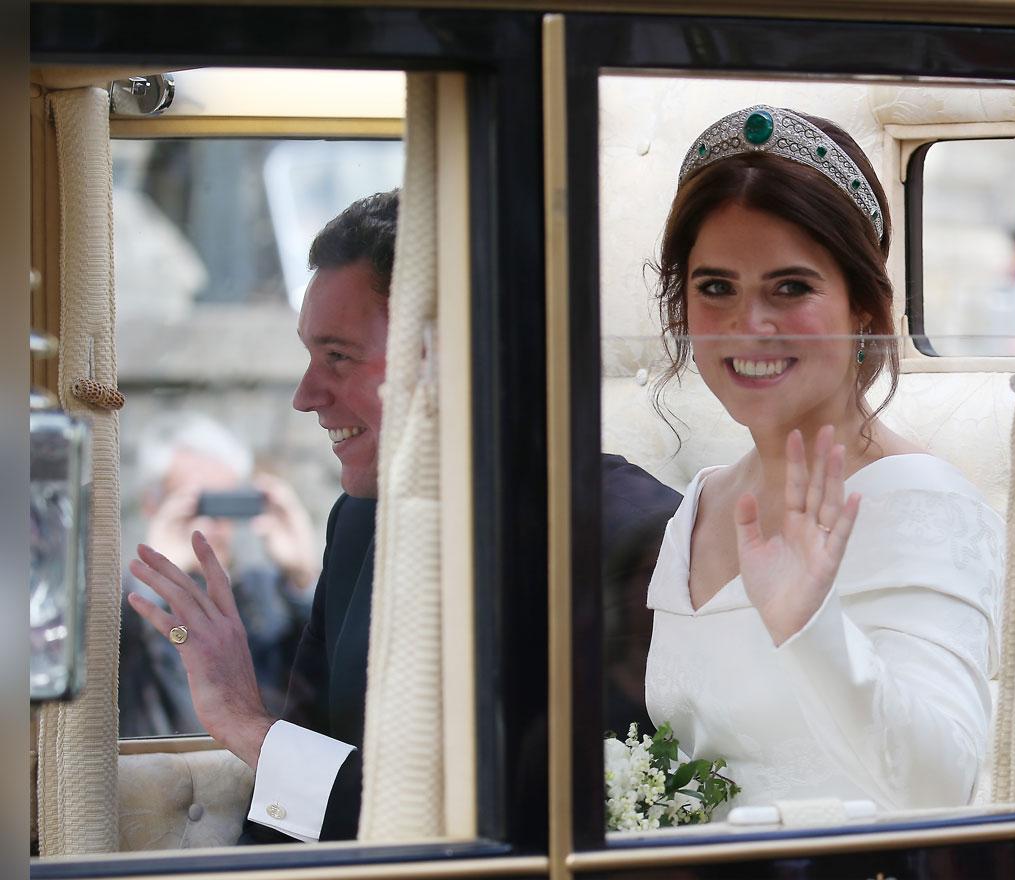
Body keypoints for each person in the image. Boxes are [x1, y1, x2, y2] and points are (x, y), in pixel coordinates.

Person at [127, 189, 680, 843]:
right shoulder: (357, 523)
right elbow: (291, 825)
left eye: (338, 356)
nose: (306, 397)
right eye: (310, 355)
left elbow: (521, 827)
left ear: (452, 357)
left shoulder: (629, 534)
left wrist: (251, 728)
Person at [642, 105, 1004, 812]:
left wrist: (812, 631)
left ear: (863, 308)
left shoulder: (921, 503)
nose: (751, 325)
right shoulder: (701, 506)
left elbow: (943, 786)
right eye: (716, 288)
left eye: (792, 287)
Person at [119, 413, 318, 737]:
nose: (211, 525)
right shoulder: (118, 607)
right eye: (197, 505)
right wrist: (159, 586)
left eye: (224, 504)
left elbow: (321, 692)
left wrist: (302, 581)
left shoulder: (265, 598)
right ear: (152, 505)